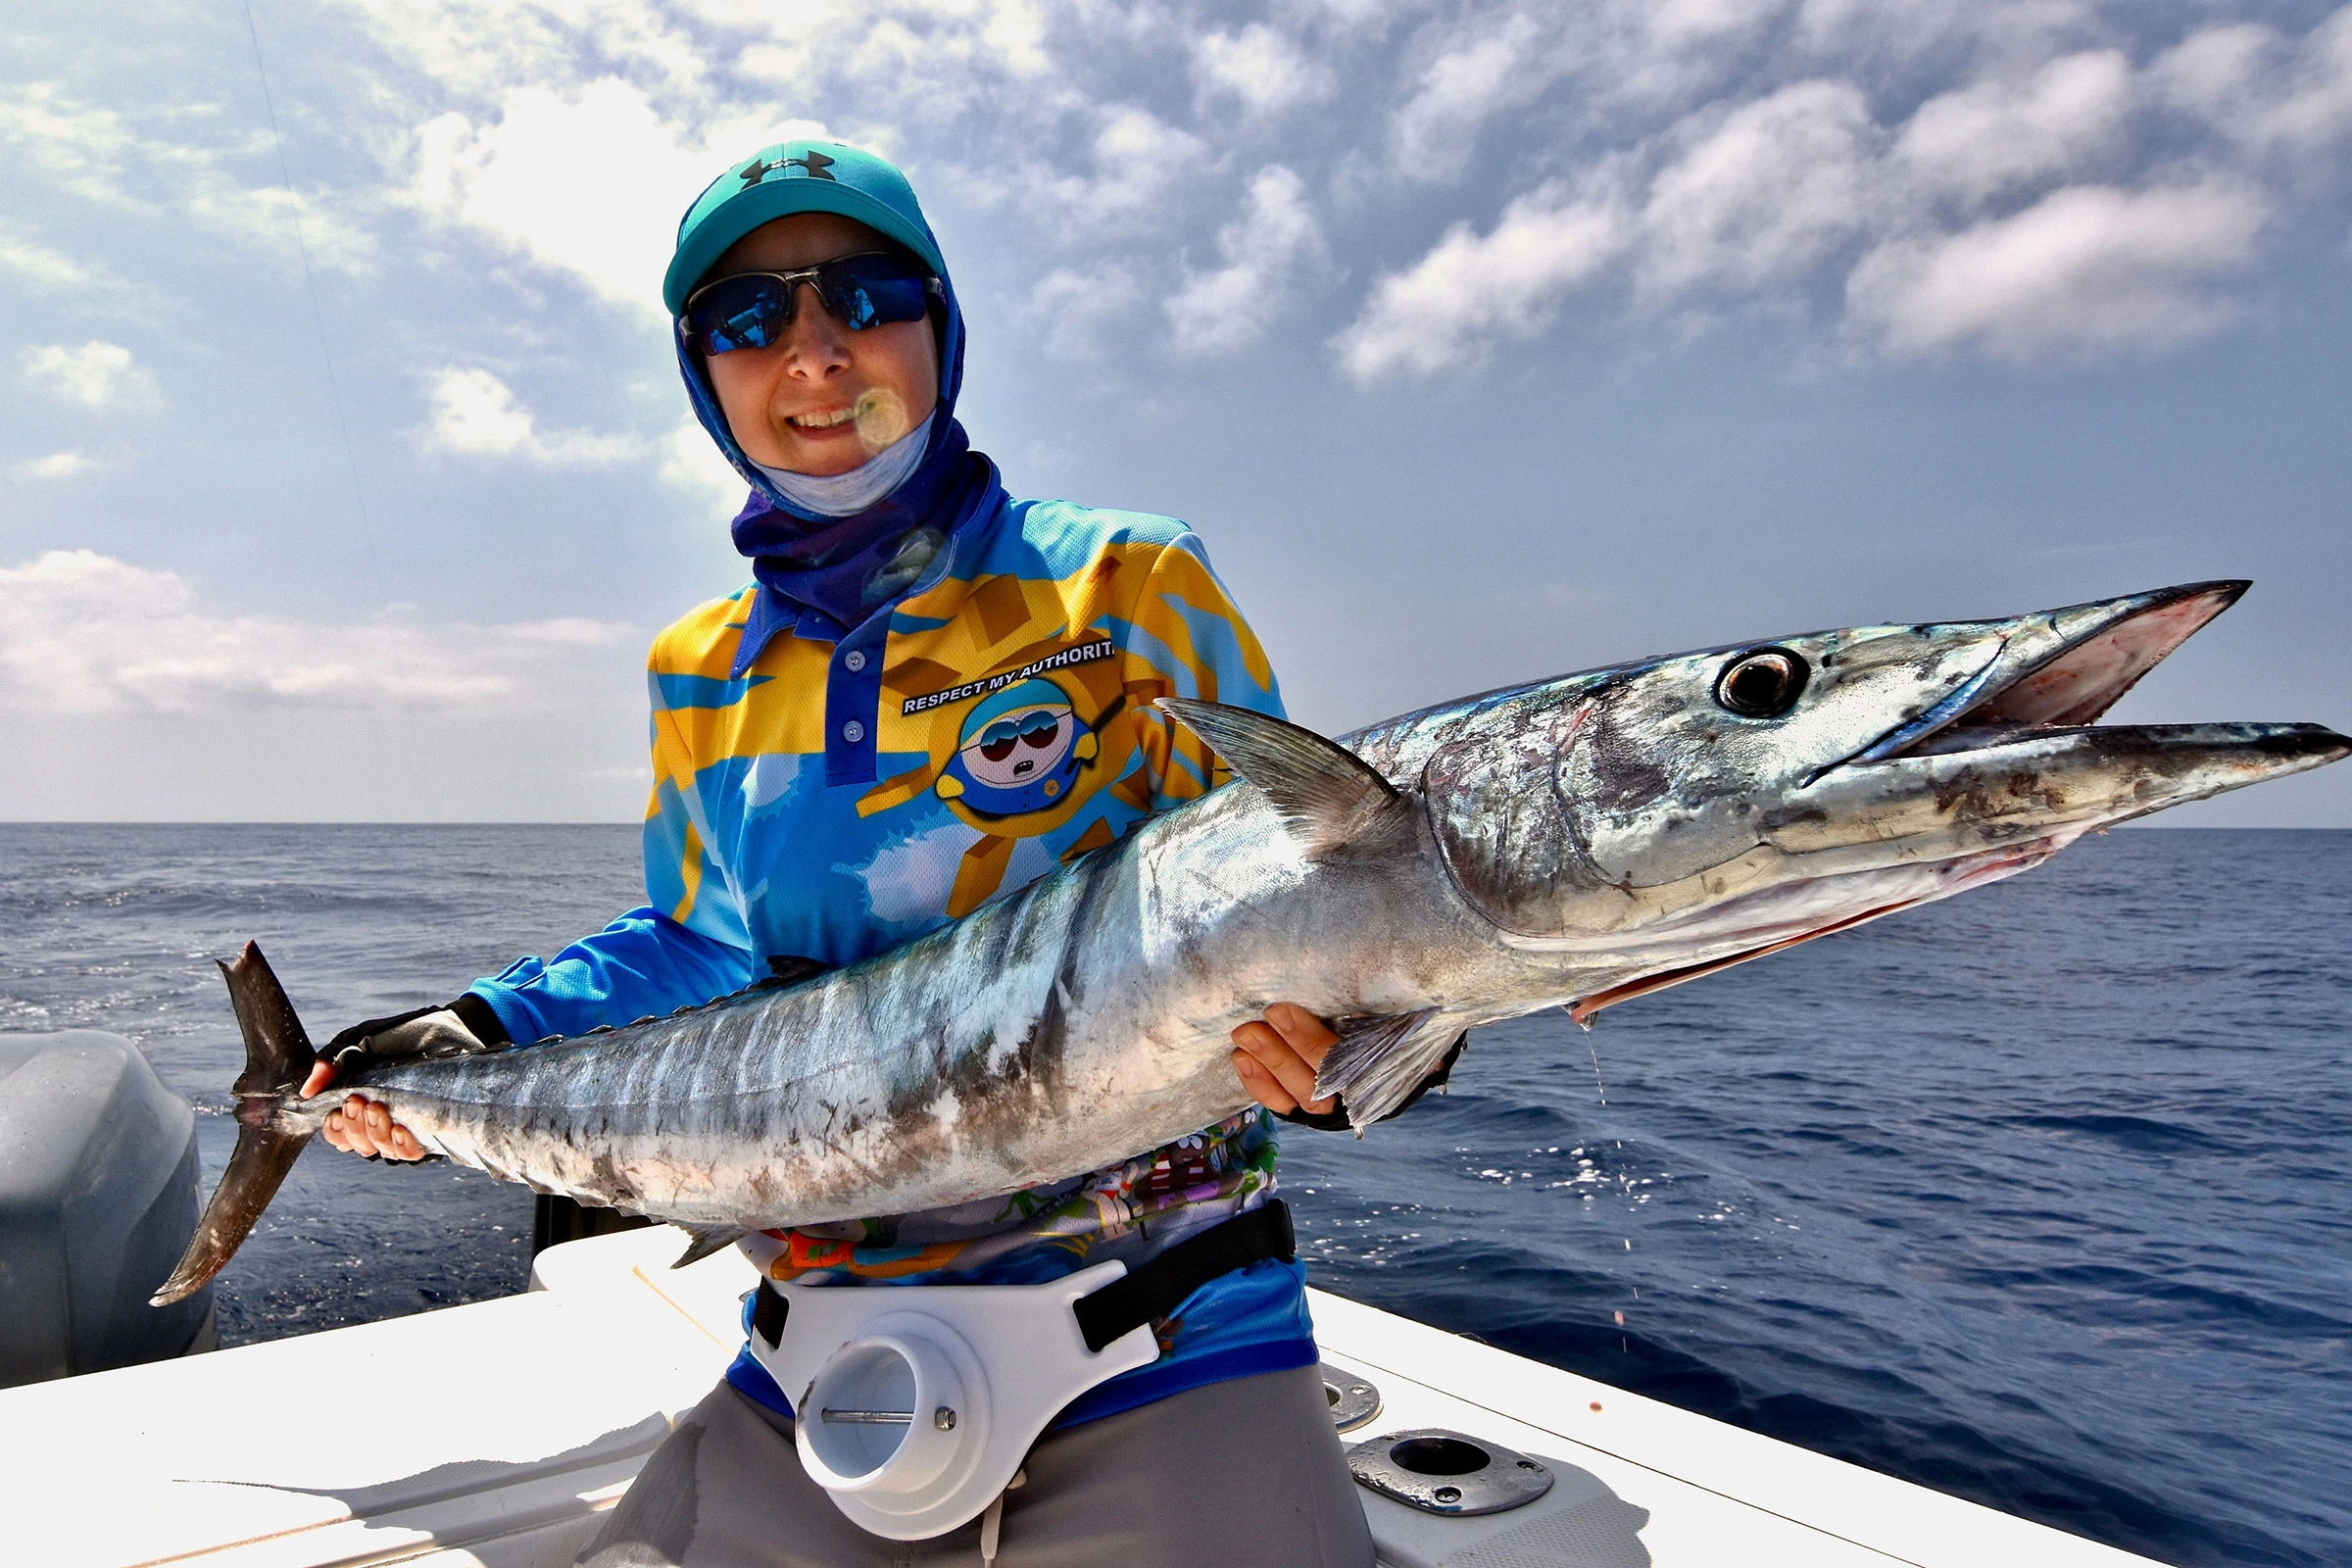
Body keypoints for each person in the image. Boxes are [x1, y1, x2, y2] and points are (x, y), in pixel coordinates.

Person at [306, 140, 1455, 1568]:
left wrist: (1366, 1035)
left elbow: (1295, 880)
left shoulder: (1126, 579)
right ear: (703, 375)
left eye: (867, 293)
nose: (814, 350)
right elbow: (699, 939)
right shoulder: (697, 669)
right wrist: (474, 1028)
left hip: (1164, 1316)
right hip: (814, 1345)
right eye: (749, 318)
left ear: (939, 329)